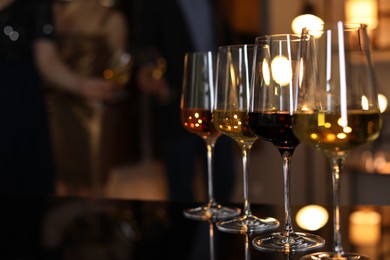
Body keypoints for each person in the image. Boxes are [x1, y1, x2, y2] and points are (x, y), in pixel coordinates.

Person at [0, 0, 118, 194]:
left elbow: (47, 61)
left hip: (19, 101)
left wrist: (81, 85)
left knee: (22, 184)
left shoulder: (37, 4)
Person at [134, 0, 237, 202]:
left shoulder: (214, 3)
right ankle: (185, 233)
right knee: (180, 184)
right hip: (178, 105)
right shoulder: (154, 5)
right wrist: (148, 74)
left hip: (219, 103)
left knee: (224, 179)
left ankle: (219, 230)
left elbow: (225, 39)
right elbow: (143, 46)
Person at [49, 0, 137, 197]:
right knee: (65, 181)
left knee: (95, 183)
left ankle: (96, 225)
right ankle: (72, 226)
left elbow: (120, 66)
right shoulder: (55, 12)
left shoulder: (111, 18)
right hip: (59, 106)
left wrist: (111, 85)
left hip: (94, 109)